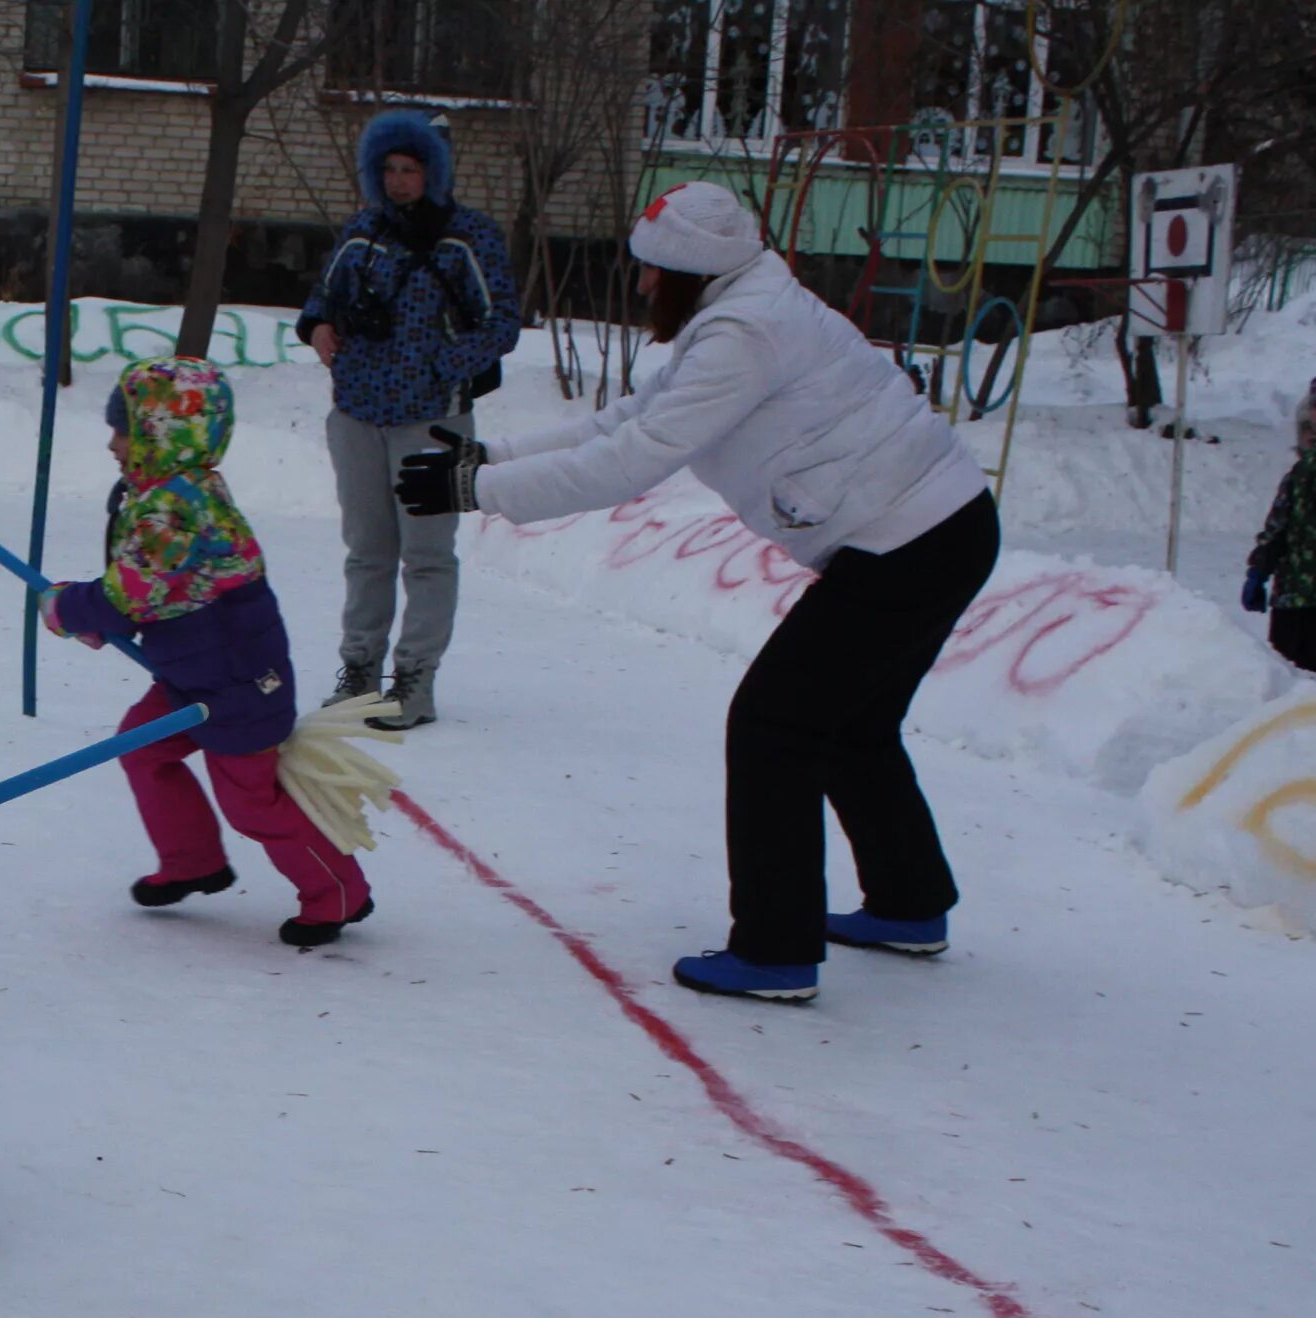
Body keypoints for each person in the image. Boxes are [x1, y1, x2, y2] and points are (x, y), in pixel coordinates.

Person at [398, 180, 998, 1004]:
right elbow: (620, 421)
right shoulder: (740, 310)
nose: (642, 285)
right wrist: (489, 456)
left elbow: (634, 460)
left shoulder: (744, 334)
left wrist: (477, 495)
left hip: (911, 541)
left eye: (651, 271)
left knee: (773, 725)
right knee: (852, 726)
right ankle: (907, 904)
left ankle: (776, 949)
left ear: (687, 271)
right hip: (938, 527)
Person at [37, 355, 373, 946]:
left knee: (252, 805)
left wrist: (69, 610)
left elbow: (132, 590)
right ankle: (193, 861)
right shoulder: (167, 491)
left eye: (124, 429)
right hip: (193, 673)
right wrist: (111, 620)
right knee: (142, 750)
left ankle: (337, 891)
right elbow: (149, 589)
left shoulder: (174, 504)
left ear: (161, 434)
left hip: (240, 684)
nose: (113, 444)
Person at [294, 107, 521, 731]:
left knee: (426, 556)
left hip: (432, 421)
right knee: (366, 552)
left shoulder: (467, 237)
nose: (398, 181)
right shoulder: (362, 231)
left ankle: (414, 682)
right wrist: (318, 328)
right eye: (388, 169)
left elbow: (503, 322)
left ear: (434, 173)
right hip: (357, 414)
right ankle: (359, 673)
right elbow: (321, 298)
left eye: (411, 169)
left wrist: (444, 364)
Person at [1242, 376, 1316, 675]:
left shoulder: (1303, 471)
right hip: (1294, 604)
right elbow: (1280, 527)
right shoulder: (1301, 473)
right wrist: (1259, 570)